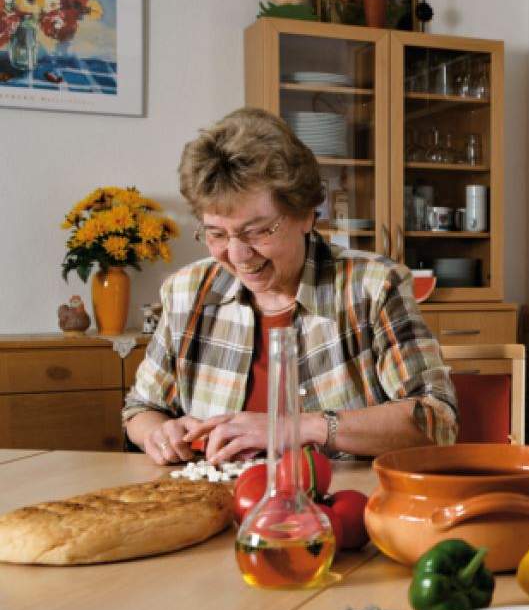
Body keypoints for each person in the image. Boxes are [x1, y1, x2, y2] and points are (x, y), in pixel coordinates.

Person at [123, 107, 457, 464]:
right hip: (217, 506)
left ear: (306, 214)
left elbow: (435, 421)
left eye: (257, 231)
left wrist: (297, 427)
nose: (238, 255)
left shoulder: (372, 287)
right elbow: (141, 410)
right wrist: (159, 432)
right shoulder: (186, 292)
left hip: (337, 506)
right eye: (216, 234)